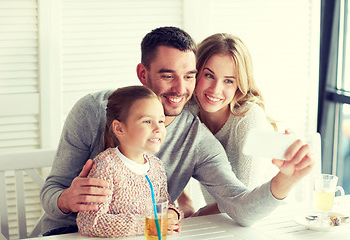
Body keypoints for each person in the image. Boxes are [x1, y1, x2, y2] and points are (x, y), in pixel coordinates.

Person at [40, 26, 315, 236]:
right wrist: (66, 199)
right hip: (64, 234)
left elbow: (240, 208)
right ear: (142, 73)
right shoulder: (94, 110)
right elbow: (51, 193)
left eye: (189, 75)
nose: (180, 89)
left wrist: (286, 179)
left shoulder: (196, 138)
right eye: (167, 75)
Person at [184, 33, 279, 215]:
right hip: (221, 222)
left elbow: (244, 202)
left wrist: (194, 218)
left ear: (239, 84)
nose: (215, 89)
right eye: (209, 75)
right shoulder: (188, 111)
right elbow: (165, 163)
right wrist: (185, 202)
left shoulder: (250, 118)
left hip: (263, 220)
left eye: (228, 80)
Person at [75, 86, 180, 237]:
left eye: (161, 121)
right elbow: (90, 223)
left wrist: (172, 215)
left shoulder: (156, 166)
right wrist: (146, 224)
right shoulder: (106, 166)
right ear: (119, 128)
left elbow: (164, 204)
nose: (158, 128)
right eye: (147, 121)